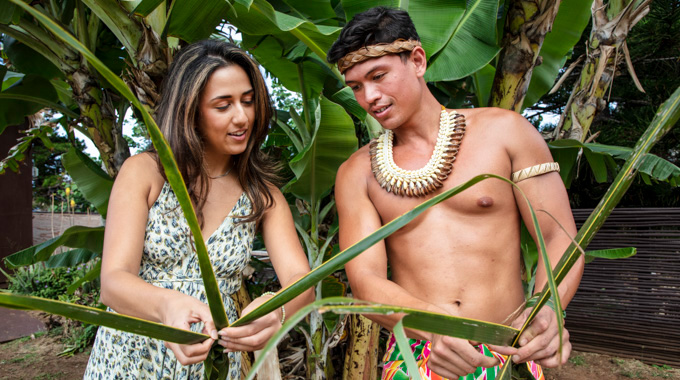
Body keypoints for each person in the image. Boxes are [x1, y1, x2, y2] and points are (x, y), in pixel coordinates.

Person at [328, 7, 584, 380]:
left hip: (506, 344)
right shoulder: (356, 173)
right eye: (356, 87)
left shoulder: (505, 132)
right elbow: (366, 283)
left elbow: (559, 237)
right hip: (416, 356)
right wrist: (436, 330)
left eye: (378, 76)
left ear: (417, 61)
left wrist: (547, 309)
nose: (369, 96)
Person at [84, 40, 313, 379]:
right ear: (190, 110)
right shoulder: (145, 172)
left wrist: (275, 309)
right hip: (131, 357)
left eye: (248, 101)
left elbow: (301, 282)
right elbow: (113, 282)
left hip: (215, 363)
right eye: (223, 105)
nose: (242, 117)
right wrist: (168, 305)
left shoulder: (263, 194)